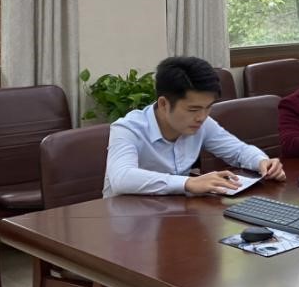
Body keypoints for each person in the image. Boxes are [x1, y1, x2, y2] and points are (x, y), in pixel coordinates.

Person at [103, 56, 285, 197]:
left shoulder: (202, 122)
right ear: (164, 104)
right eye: (193, 109)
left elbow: (238, 151)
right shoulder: (128, 129)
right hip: (127, 221)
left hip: (174, 214)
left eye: (208, 107)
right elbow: (122, 178)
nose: (202, 117)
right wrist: (187, 183)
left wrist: (261, 161)